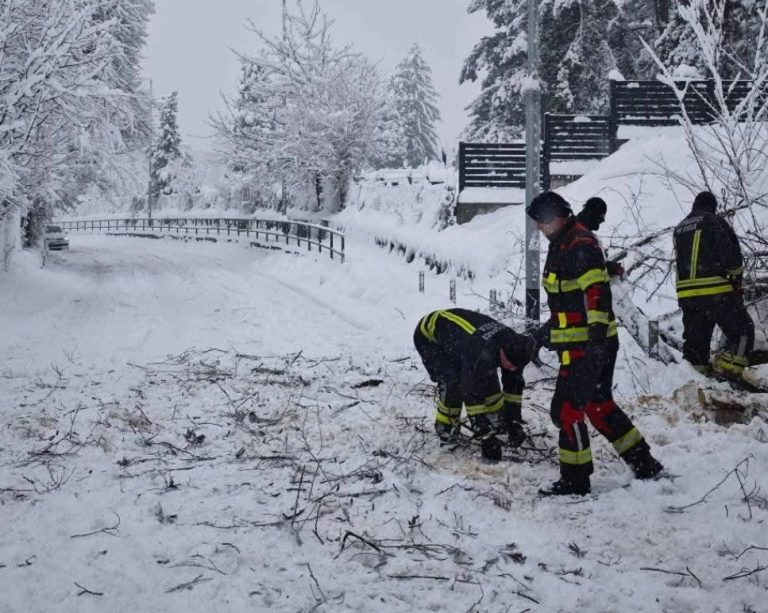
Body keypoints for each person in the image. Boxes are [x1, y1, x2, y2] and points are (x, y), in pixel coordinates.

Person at [526, 191, 663, 496]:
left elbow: (596, 295)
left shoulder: (579, 244)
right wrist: (544, 334)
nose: (538, 228)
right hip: (585, 345)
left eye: (540, 222)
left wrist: (596, 344)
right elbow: (568, 300)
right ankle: (644, 463)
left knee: (565, 410)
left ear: (555, 217)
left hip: (588, 347)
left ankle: (575, 480)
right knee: (598, 406)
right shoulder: (564, 243)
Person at [413, 308, 537, 461]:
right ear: (503, 352)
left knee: (488, 376)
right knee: (453, 383)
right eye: (512, 365)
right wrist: (485, 436)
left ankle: (497, 422)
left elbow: (513, 386)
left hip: (460, 338)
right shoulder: (478, 352)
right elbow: (471, 394)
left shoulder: (515, 345)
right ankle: (446, 430)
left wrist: (514, 421)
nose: (514, 369)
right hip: (429, 336)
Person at [673, 190, 754, 377]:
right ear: (712, 207)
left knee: (696, 344)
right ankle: (727, 375)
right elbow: (731, 256)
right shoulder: (713, 221)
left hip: (686, 295)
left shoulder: (679, 228)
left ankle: (695, 380)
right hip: (714, 290)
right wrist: (736, 277)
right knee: (743, 330)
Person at [576, 196, 624, 277]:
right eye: (602, 215)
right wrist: (610, 268)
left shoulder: (578, 227)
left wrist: (610, 267)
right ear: (593, 213)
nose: (603, 220)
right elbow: (587, 269)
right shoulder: (581, 235)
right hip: (573, 288)